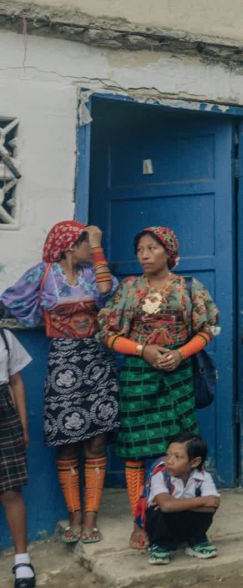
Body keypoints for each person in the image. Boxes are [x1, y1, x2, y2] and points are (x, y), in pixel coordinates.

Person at [97, 226, 218, 550]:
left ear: (169, 252)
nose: (144, 255)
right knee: (136, 453)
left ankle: (187, 522)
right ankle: (142, 522)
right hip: (138, 378)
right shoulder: (128, 290)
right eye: (140, 250)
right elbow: (106, 334)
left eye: (152, 248)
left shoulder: (189, 288)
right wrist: (143, 350)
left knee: (184, 450)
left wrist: (180, 353)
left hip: (177, 379)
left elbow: (207, 330)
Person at [1, 221, 118, 544]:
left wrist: (97, 247)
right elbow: (11, 300)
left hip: (97, 364)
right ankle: (74, 516)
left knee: (96, 441)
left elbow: (108, 291)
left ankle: (91, 517)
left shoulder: (94, 274)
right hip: (63, 363)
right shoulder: (42, 275)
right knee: (66, 441)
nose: (90, 249)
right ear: (69, 245)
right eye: (86, 243)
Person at [143, 433, 220, 566]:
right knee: (158, 512)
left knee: (206, 512)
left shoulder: (204, 477)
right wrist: (201, 501)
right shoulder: (160, 476)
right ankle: (161, 546)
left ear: (195, 462)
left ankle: (195, 542)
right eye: (168, 455)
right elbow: (166, 506)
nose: (169, 461)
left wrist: (175, 504)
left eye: (177, 457)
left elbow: (212, 505)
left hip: (185, 524)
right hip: (164, 526)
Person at [0, 328, 34, 587]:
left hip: (4, 414)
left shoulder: (4, 337)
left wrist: (22, 425)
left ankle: (22, 559)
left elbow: (16, 382)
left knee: (10, 489)